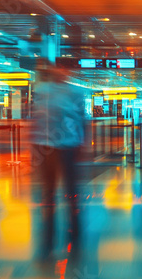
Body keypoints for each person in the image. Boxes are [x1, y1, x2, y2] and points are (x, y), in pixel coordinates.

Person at [31, 62, 85, 266]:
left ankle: (75, 236)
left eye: (64, 68)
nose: (61, 72)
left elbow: (81, 119)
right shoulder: (43, 91)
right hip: (47, 148)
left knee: (71, 194)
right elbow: (37, 119)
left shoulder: (75, 92)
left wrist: (82, 144)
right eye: (58, 68)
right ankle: (48, 241)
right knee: (49, 195)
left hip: (68, 147)